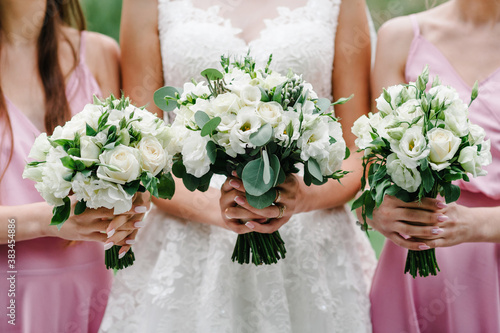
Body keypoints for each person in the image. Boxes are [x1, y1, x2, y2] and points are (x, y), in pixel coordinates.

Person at [100, 0, 376, 332]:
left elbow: (357, 149)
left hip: (310, 238)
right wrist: (219, 211)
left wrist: (302, 197)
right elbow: (143, 147)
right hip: (189, 236)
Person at [0, 0, 147, 331]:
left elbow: (134, 179)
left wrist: (129, 207)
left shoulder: (98, 53)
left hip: (100, 291)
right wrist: (49, 221)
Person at [367, 0, 500, 332]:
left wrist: (478, 225)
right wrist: (377, 211)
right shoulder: (400, 38)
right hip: (414, 269)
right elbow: (374, 167)